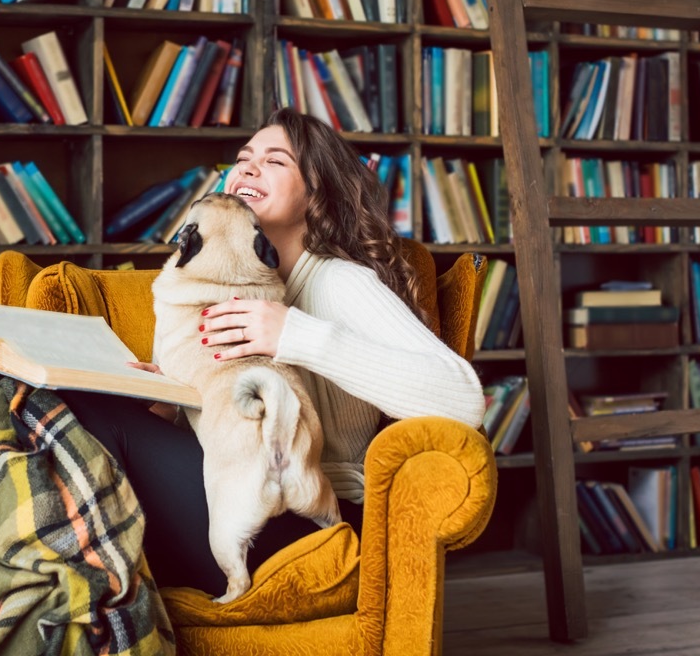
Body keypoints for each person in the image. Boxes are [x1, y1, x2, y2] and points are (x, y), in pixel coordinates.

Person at [61, 107, 485, 596]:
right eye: (243, 158)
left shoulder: (341, 282)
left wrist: (296, 335)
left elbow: (464, 400)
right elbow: (231, 432)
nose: (248, 168)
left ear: (318, 193)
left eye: (275, 161)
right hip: (228, 495)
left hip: (308, 522)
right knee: (85, 406)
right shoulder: (209, 284)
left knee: (87, 415)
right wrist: (168, 404)